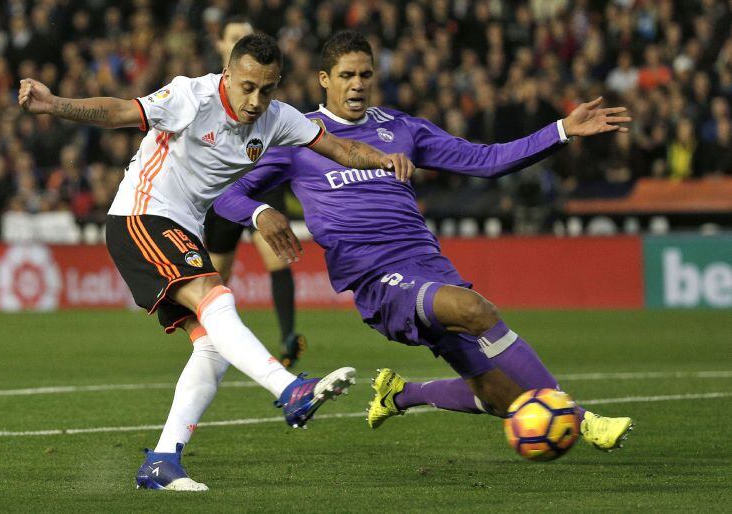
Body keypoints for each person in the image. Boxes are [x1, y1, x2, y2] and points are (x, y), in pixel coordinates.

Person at [18, 33, 415, 491]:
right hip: (140, 216)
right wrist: (54, 104)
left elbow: (341, 149)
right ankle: (288, 389)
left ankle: (163, 462)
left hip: (183, 229)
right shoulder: (192, 96)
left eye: (266, 89)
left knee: (212, 346)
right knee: (215, 295)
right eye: (246, 86)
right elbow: (121, 111)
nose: (254, 100)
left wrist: (385, 160)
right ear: (227, 75)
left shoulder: (278, 119)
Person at [213, 31, 633, 453]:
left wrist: (561, 130)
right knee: (475, 309)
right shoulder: (298, 136)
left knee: (499, 394)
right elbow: (226, 193)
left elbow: (484, 161)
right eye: (346, 75)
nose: (357, 83)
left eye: (365, 74)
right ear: (324, 78)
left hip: (429, 266)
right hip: (378, 279)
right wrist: (260, 212)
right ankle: (583, 418)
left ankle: (399, 394)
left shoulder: (401, 127)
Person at [204, 17, 305, 368]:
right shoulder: (204, 93)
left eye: (245, 37)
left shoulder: (265, 96)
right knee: (218, 275)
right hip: (221, 192)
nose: (240, 41)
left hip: (260, 185)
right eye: (234, 37)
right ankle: (211, 342)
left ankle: (289, 337)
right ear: (221, 46)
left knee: (277, 257)